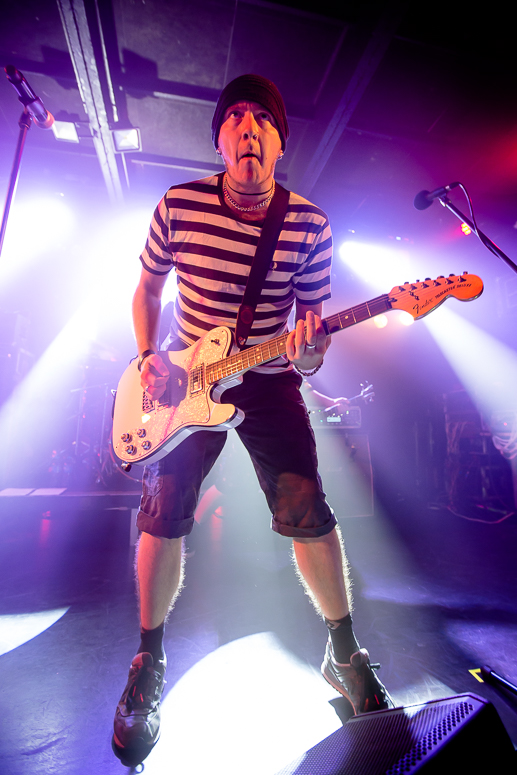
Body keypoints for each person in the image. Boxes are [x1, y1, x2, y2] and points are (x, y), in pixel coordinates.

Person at [112, 74, 392, 767]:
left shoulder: (309, 225)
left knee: (309, 512)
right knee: (162, 513)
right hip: (185, 381)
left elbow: (311, 348)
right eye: (234, 117)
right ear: (218, 140)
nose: (247, 127)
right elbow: (146, 286)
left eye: (262, 119)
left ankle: (344, 654)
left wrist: (310, 350)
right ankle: (148, 660)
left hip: (266, 380)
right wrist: (147, 356)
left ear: (278, 143)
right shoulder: (178, 205)